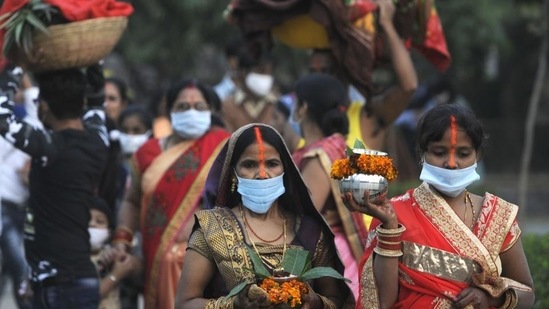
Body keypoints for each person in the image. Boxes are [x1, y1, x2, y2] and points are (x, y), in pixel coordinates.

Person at [341, 104, 535, 308]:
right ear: (422, 154)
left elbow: (527, 292)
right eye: (440, 152)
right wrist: (390, 229)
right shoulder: (395, 213)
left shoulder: (498, 216)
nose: (451, 163)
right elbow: (382, 302)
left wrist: (489, 297)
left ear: (477, 155)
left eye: (463, 153)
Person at [175, 123, 352, 308]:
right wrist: (233, 305)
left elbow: (337, 301)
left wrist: (315, 303)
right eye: (249, 164)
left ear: (285, 171)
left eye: (272, 164)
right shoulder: (211, 228)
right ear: (233, 173)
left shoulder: (312, 231)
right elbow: (184, 303)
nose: (262, 174)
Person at [112, 79, 230, 309]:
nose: (191, 112)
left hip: (204, 255)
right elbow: (132, 201)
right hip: (154, 253)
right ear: (168, 110)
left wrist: (197, 225)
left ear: (211, 111)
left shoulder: (222, 148)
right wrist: (122, 240)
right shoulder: (147, 153)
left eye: (199, 107)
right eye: (183, 107)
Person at [0, 67, 109, 308]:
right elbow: (96, 105)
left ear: (44, 107)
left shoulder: (48, 147)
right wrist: (93, 66)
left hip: (60, 287)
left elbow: (3, 120)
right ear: (80, 102)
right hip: (74, 279)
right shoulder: (98, 141)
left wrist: (16, 67)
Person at [291, 73, 369, 301]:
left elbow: (301, 218)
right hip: (338, 252)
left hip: (325, 257)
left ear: (303, 108)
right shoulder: (339, 147)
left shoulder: (319, 157)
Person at [308, 0, 417, 152]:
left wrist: (386, 24)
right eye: (313, 72)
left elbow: (409, 87)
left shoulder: (367, 116)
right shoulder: (300, 124)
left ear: (344, 72)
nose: (318, 80)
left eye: (326, 71)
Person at [89, 197, 141, 309]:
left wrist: (122, 257)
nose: (92, 224)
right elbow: (89, 296)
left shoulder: (111, 255)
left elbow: (140, 269)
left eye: (99, 221)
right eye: (87, 220)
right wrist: (115, 275)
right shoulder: (76, 259)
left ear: (109, 232)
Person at [220, 46, 279, 132]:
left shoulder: (277, 106)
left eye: (269, 72)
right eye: (261, 71)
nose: (266, 77)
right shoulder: (228, 107)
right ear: (244, 72)